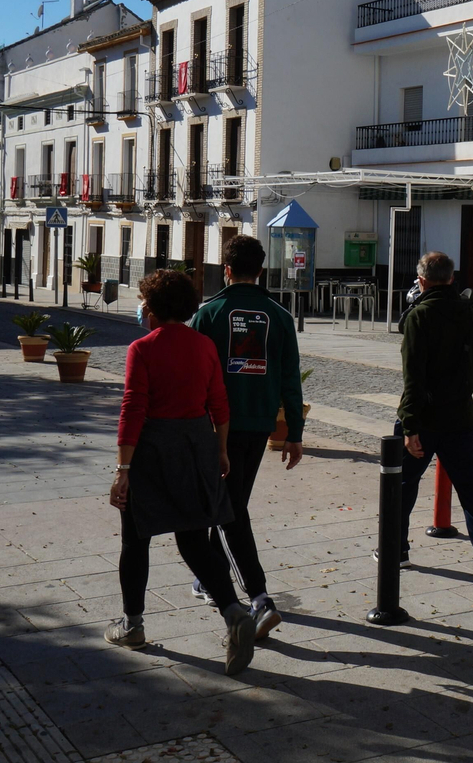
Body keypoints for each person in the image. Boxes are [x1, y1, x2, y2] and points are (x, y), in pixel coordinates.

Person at [106, 268, 257, 677]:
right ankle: (233, 612)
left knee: (135, 539)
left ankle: (132, 625)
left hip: (153, 449)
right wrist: (221, 450)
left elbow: (133, 408)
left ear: (151, 308)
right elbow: (219, 403)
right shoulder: (205, 346)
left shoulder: (142, 348)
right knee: (193, 539)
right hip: (196, 445)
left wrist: (123, 469)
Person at [188, 234, 305, 640]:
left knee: (226, 508)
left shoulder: (208, 315)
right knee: (228, 501)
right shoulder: (280, 316)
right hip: (258, 426)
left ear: (226, 269)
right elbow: (291, 378)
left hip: (215, 426)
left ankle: (258, 599)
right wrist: (294, 432)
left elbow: (195, 377)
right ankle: (210, 579)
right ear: (260, 270)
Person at [396, 251, 473, 593]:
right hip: (460, 416)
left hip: (426, 418)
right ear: (451, 279)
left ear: (422, 280)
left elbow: (413, 376)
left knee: (401, 485)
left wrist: (410, 425)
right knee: (471, 489)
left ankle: (397, 549)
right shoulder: (468, 314)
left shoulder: (419, 316)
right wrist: (457, 395)